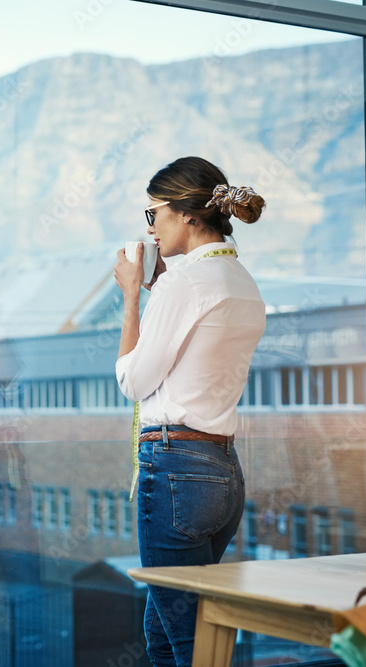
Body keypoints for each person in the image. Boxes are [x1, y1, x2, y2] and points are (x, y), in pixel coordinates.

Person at [115, 156, 266, 666]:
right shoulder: (240, 280)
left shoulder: (183, 284)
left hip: (176, 469)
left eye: (154, 212)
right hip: (222, 475)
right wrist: (160, 293)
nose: (151, 227)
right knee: (167, 633)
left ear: (188, 215)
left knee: (191, 646)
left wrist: (134, 297)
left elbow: (133, 382)